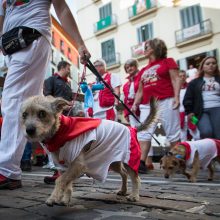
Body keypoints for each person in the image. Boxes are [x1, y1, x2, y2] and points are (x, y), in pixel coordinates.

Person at [0, 0, 90, 190]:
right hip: (13, 44)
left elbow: (62, 8)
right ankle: (62, 163)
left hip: (31, 36)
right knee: (40, 109)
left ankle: (7, 170)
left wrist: (79, 44)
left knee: (13, 100)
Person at [132, 38, 181, 173]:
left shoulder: (167, 62)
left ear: (154, 48)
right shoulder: (143, 70)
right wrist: (135, 103)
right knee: (143, 133)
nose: (144, 49)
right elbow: (140, 90)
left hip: (166, 99)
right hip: (148, 104)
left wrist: (177, 97)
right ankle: (141, 162)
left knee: (172, 132)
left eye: (147, 47)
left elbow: (176, 79)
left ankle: (175, 161)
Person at [183, 56, 220, 139]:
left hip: (218, 108)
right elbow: (188, 98)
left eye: (213, 63)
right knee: (206, 132)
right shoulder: (194, 82)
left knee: (218, 134)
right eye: (208, 63)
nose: (211, 65)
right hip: (199, 111)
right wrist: (189, 112)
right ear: (202, 66)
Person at [179, 70, 200, 141]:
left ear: (186, 77)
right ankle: (185, 150)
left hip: (191, 114)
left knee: (196, 133)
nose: (182, 77)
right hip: (180, 115)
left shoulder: (191, 87)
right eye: (180, 76)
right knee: (182, 136)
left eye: (183, 76)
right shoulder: (174, 90)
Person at [123, 58, 140, 128]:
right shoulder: (125, 85)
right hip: (132, 112)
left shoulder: (141, 78)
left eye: (131, 66)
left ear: (136, 66)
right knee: (135, 131)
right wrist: (126, 113)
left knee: (145, 132)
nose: (129, 69)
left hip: (142, 108)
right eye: (127, 68)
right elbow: (125, 101)